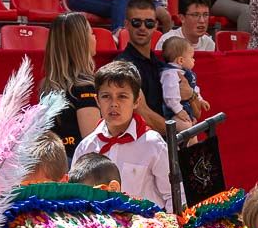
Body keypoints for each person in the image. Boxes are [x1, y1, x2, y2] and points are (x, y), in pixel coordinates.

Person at [71, 61, 178, 211]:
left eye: (122, 96)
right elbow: (75, 195)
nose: (114, 104)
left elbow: (174, 196)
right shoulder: (86, 147)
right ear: (97, 101)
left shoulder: (153, 144)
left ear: (136, 102)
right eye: (106, 96)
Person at [43, 12, 102, 160]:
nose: (95, 38)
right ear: (81, 43)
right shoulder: (85, 87)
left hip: (54, 165)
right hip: (76, 169)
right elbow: (92, 145)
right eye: (92, 33)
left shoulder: (47, 87)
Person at [117, 0, 171, 129]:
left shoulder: (161, 65)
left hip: (165, 141)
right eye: (136, 22)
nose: (143, 28)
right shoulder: (122, 67)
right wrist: (178, 131)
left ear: (155, 26)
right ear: (127, 25)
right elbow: (143, 115)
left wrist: (192, 95)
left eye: (149, 23)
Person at [160, 37, 208, 127]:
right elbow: (170, 97)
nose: (194, 60)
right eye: (191, 57)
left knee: (192, 130)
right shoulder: (170, 74)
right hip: (173, 113)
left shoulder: (186, 72)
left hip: (186, 110)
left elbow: (194, 88)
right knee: (186, 126)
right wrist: (179, 111)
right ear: (181, 60)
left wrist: (201, 100)